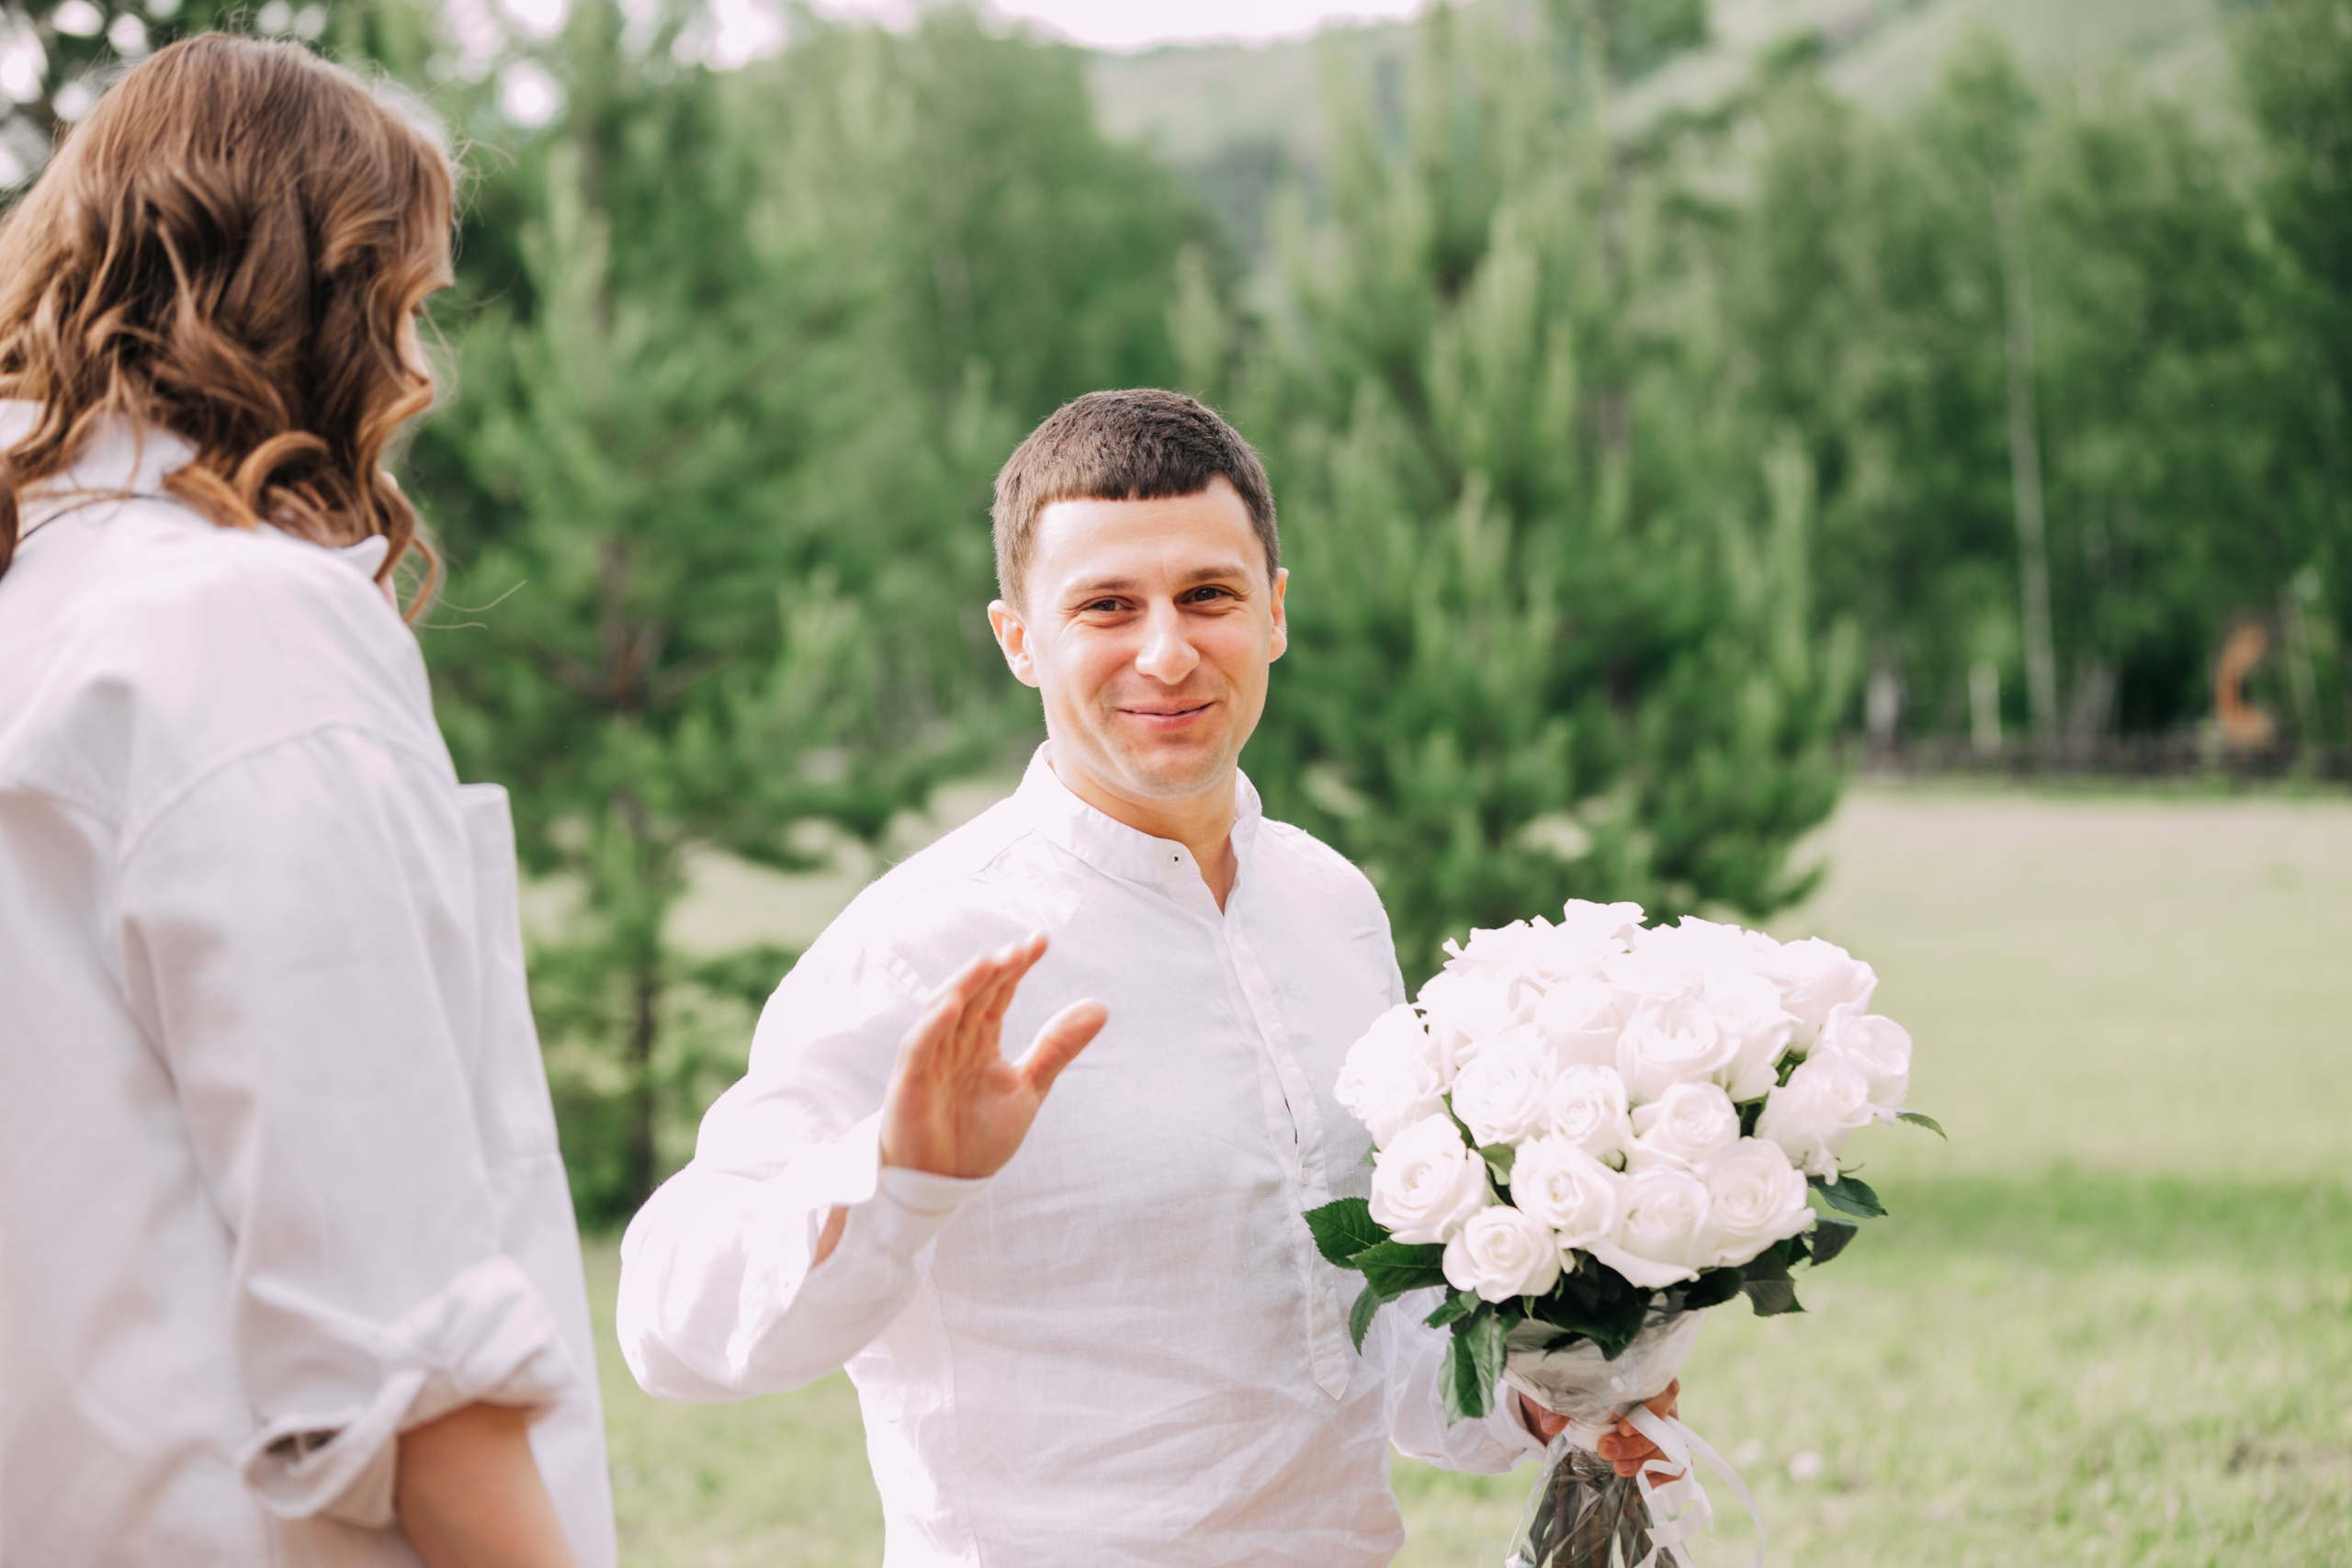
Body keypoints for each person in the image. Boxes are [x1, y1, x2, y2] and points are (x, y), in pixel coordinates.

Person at [617, 389, 1676, 1564]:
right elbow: (671, 1325)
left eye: (1207, 596)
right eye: (1105, 607)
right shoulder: (923, 945)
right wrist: (900, 1175)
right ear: (1019, 639)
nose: (1165, 653)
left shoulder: (1332, 905)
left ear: (1273, 614)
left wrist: (1532, 1397)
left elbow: (1356, 1330)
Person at [0, 37, 612, 1568]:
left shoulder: (38, 608)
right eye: (403, 306)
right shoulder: (242, 631)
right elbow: (392, 1329)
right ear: (318, 307)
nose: (417, 375)